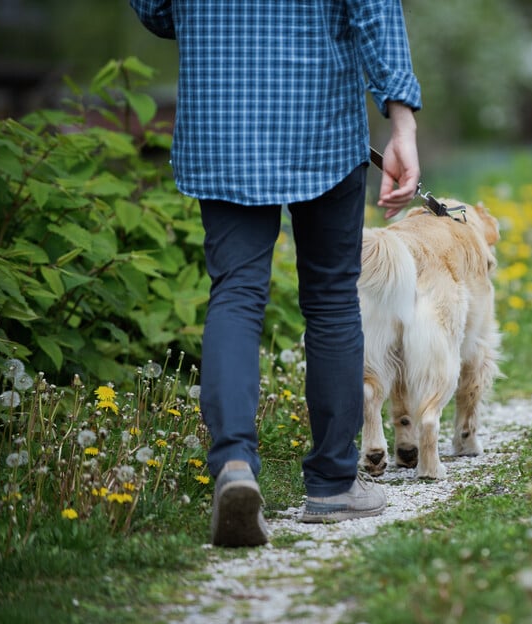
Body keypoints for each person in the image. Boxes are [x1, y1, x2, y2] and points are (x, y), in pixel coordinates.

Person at [129, 0, 422, 547]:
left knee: (235, 292)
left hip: (222, 120)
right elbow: (373, 11)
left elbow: (155, 10)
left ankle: (234, 466)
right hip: (321, 119)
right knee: (333, 295)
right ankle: (334, 484)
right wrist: (400, 121)